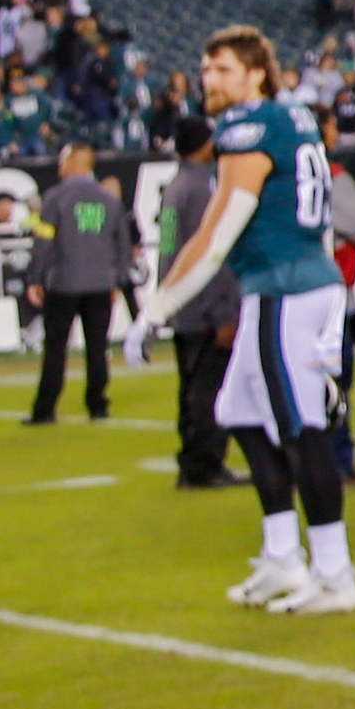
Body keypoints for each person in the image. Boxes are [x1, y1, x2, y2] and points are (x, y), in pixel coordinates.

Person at [138, 26, 355, 616]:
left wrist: (157, 308)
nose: (210, 80)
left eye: (225, 70)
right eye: (206, 69)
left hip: (282, 290)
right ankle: (284, 555)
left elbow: (216, 235)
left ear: (257, 73)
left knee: (299, 425)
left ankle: (335, 573)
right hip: (303, 280)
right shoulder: (296, 119)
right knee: (237, 410)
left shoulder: (247, 128)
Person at [153, 113, 245, 489]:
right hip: (206, 307)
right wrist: (224, 311)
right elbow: (213, 253)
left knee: (190, 387)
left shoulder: (174, 188)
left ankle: (192, 461)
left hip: (183, 305)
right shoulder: (205, 190)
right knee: (210, 389)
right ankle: (206, 463)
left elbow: (169, 249)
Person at [22, 143, 131, 426]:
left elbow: (43, 240)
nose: (59, 166)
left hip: (64, 282)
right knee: (97, 347)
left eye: (63, 160)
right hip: (100, 283)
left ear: (73, 163)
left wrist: (35, 277)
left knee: (56, 348)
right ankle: (98, 406)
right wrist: (117, 278)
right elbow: (122, 242)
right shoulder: (109, 200)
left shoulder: (55, 198)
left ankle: (45, 409)